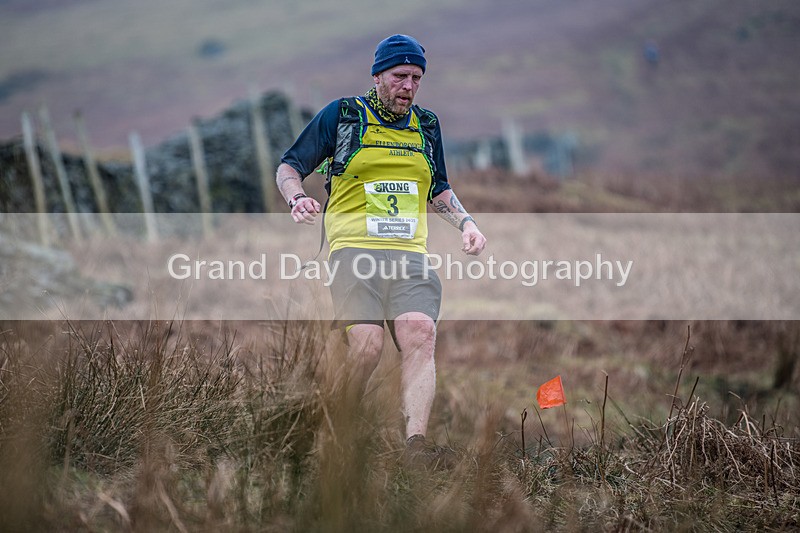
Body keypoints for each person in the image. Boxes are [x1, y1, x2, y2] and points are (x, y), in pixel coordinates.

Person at [275, 34, 486, 453]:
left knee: (420, 333)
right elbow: (289, 166)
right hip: (354, 251)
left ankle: (416, 446)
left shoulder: (427, 126)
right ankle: (337, 429)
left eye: (417, 78)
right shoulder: (344, 116)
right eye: (400, 76)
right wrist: (297, 198)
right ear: (377, 76)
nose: (408, 86)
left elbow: (439, 188)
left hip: (410, 254)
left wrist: (466, 223)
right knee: (367, 346)